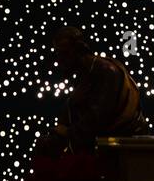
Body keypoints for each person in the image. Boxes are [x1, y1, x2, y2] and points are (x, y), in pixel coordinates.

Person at [37, 26, 145, 157]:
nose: (60, 60)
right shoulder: (85, 75)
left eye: (64, 53)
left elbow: (97, 117)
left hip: (120, 148)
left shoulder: (106, 72)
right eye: (58, 54)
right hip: (100, 145)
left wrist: (67, 134)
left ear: (78, 50)